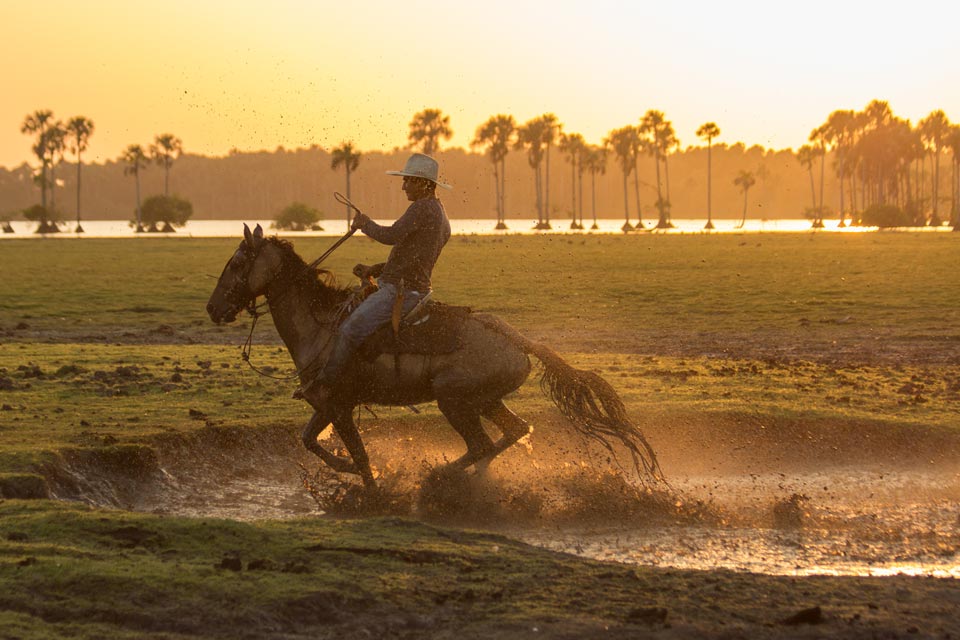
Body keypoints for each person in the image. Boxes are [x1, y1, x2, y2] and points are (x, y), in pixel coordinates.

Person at [305, 153, 452, 402]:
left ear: (423, 183)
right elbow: (415, 256)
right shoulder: (439, 212)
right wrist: (377, 269)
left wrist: (364, 223)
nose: (403, 185)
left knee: (349, 329)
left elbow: (391, 235)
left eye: (407, 180)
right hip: (415, 289)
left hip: (400, 292)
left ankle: (324, 386)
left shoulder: (422, 208)